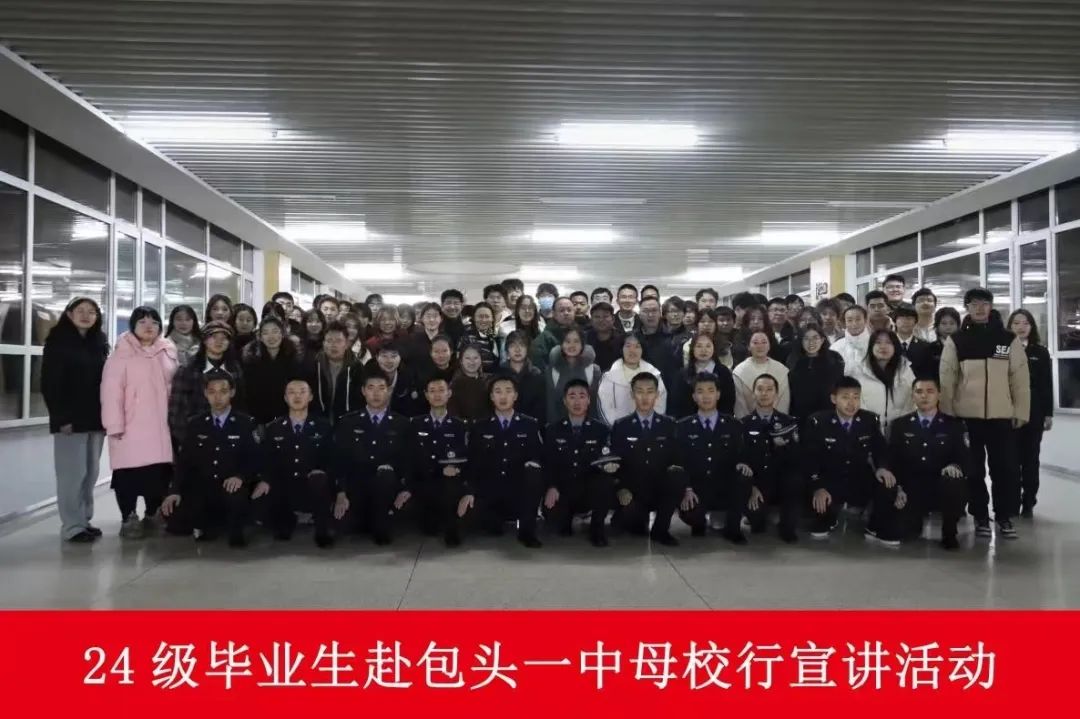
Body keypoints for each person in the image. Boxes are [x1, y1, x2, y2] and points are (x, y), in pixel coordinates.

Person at [940, 287, 1030, 539]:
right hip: (967, 417)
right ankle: (980, 515)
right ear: (967, 308)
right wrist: (948, 413)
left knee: (1005, 469)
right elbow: (947, 379)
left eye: (984, 303)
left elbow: (1020, 379)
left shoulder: (1007, 339)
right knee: (974, 470)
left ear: (991, 307)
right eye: (974, 304)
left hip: (1001, 416)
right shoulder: (957, 340)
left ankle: (1004, 516)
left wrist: (1021, 410)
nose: (980, 308)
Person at [101, 307, 178, 539]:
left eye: (154, 322)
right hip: (130, 427)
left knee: (157, 475)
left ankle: (152, 514)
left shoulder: (167, 351)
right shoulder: (120, 355)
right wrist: (114, 425)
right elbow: (111, 394)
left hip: (161, 426)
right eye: (142, 322)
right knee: (128, 475)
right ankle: (129, 517)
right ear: (133, 326)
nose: (148, 326)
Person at [161, 370, 262, 547]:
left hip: (231, 486)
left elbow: (254, 459)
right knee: (171, 514)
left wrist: (240, 476)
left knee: (235, 497)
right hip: (203, 486)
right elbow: (184, 462)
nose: (218, 397)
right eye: (212, 392)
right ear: (205, 394)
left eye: (223, 391)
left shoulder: (245, 423)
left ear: (232, 392)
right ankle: (211, 523)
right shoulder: (196, 423)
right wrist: (174, 491)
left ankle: (233, 528)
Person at [42, 297, 109, 542]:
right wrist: (62, 418)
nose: (86, 315)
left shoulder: (98, 342)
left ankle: (84, 519)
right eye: (80, 311)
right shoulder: (58, 343)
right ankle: (72, 526)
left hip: (95, 419)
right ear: (69, 314)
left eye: (92, 312)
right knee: (72, 475)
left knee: (90, 473)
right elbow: (50, 384)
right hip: (70, 422)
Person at [803, 377, 898, 542]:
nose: (851, 403)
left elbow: (881, 449)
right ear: (834, 399)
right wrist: (817, 486)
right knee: (819, 520)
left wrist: (882, 467)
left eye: (856, 397)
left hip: (858, 477)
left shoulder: (869, 420)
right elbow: (809, 458)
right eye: (845, 397)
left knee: (886, 482)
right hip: (830, 479)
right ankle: (827, 518)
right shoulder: (818, 421)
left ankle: (876, 526)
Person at [883, 377, 970, 549]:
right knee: (905, 533)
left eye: (930, 391)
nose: (924, 396)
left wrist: (954, 466)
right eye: (919, 392)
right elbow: (892, 460)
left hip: (940, 487)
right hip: (911, 489)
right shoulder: (900, 425)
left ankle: (949, 532)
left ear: (939, 395)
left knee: (954, 481)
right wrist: (898, 488)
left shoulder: (954, 425)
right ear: (912, 396)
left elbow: (965, 458)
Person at [460, 376, 545, 548]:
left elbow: (538, 455)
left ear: (515, 395)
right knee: (475, 519)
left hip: (518, 491)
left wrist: (533, 464)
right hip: (490, 492)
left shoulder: (529, 424)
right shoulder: (480, 426)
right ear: (492, 397)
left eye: (508, 391)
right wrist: (469, 491)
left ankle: (527, 531)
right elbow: (472, 463)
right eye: (498, 392)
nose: (503, 396)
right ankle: (494, 520)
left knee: (534, 472)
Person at [333, 371, 413, 545]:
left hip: (388, 487)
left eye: (381, 388)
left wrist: (406, 488)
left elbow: (408, 460)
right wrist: (341, 492)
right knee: (343, 525)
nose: (376, 393)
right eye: (371, 388)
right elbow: (340, 460)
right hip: (357, 486)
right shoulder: (348, 422)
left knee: (386, 478)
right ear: (363, 391)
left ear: (389, 391)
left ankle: (381, 522)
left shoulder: (402, 423)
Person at [674, 373, 752, 543]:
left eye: (710, 390)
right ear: (694, 396)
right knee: (692, 514)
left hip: (724, 487)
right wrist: (687, 488)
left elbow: (741, 454)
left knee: (744, 475)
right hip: (696, 489)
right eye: (700, 391)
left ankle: (733, 529)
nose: (706, 396)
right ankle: (699, 522)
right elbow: (679, 461)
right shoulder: (682, 426)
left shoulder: (733, 424)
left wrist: (742, 463)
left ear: (718, 394)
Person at [259, 378, 337, 547]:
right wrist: (265, 480)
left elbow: (331, 458)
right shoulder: (274, 428)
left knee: (320, 479)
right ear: (285, 398)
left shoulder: (323, 426)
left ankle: (322, 530)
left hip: (312, 484)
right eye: (292, 392)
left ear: (310, 397)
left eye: (302, 392)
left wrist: (322, 472)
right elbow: (268, 460)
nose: (297, 396)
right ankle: (286, 520)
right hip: (285, 485)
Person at [609, 372, 682, 546]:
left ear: (657, 395)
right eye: (639, 391)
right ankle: (631, 518)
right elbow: (615, 463)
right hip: (633, 492)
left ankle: (661, 530)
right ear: (632, 394)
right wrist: (621, 488)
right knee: (634, 529)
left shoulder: (669, 424)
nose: (645, 397)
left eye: (650, 391)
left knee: (677, 476)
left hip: (659, 490)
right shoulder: (621, 426)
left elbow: (677, 459)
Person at [542, 379, 617, 547]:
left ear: (589, 400)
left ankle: (597, 529)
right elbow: (548, 462)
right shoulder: (552, 430)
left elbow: (606, 461)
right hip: (563, 490)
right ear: (564, 401)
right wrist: (551, 486)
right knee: (556, 522)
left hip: (588, 490)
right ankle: (566, 518)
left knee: (605, 481)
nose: (577, 401)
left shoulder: (601, 430)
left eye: (582, 396)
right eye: (572, 396)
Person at [409, 376, 471, 546]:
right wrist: (438, 469)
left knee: (451, 483)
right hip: (424, 482)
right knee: (428, 527)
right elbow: (413, 458)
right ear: (426, 395)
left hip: (450, 483)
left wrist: (456, 470)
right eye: (432, 391)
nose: (437, 395)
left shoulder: (460, 425)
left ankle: (452, 531)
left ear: (449, 393)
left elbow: (464, 458)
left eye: (441, 390)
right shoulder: (415, 424)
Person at [741, 374, 801, 543]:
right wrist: (751, 487)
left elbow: (795, 458)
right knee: (757, 526)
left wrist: (781, 447)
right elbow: (741, 458)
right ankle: (761, 514)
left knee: (795, 480)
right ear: (753, 393)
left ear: (776, 394)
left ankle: (787, 524)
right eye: (760, 389)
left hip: (781, 481)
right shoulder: (743, 424)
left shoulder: (788, 422)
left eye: (769, 389)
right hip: (757, 484)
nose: (764, 393)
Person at [1007, 309, 1054, 518]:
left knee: (1030, 459)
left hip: (1034, 412)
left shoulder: (1040, 352)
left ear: (1032, 327)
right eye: (1016, 323)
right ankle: (1012, 500)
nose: (1021, 327)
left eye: (1026, 323)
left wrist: (1048, 414)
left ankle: (1029, 501)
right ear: (1010, 327)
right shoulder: (1002, 350)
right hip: (1009, 411)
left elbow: (1046, 385)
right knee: (1010, 460)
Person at [168, 320, 244, 448]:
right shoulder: (189, 369)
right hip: (196, 438)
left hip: (230, 439)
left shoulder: (235, 369)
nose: (219, 341)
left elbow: (241, 404)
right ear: (204, 340)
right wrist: (186, 439)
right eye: (213, 337)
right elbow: (177, 410)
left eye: (224, 338)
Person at [846, 329, 916, 431]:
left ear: (895, 346)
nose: (883, 346)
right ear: (871, 346)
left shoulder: (905, 370)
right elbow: (854, 400)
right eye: (878, 342)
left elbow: (912, 401)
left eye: (888, 342)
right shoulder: (859, 371)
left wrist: (900, 424)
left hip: (901, 429)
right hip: (867, 428)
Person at [242, 316, 300, 426]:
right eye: (265, 333)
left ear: (282, 334)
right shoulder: (251, 359)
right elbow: (249, 393)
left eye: (275, 331)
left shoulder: (293, 356)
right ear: (260, 337)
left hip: (287, 416)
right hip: (259, 416)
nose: (271, 337)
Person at [599, 333, 668, 424]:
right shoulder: (608, 376)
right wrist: (618, 427)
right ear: (621, 349)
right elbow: (605, 407)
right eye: (628, 346)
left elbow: (660, 404)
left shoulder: (654, 374)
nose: (632, 350)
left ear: (642, 350)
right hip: (617, 428)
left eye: (637, 346)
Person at [304, 321, 363, 425]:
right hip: (318, 421)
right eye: (329, 341)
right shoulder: (313, 365)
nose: (333, 345)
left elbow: (360, 400)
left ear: (347, 344)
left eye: (338, 341)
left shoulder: (356, 367)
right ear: (323, 343)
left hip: (348, 421)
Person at [787, 325, 846, 422]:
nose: (811, 342)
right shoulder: (793, 360)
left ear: (822, 340)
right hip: (801, 415)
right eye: (806, 338)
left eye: (815, 338)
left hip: (829, 415)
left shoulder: (834, 358)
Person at [670, 334, 736, 417]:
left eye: (708, 346)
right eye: (699, 346)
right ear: (692, 349)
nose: (703, 350)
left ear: (714, 349)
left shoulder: (723, 372)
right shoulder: (683, 374)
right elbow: (677, 403)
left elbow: (729, 401)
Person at [543, 326, 601, 422]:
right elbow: (551, 405)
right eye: (567, 341)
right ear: (561, 344)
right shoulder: (552, 370)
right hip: (559, 426)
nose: (572, 345)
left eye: (576, 341)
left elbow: (595, 405)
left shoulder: (593, 370)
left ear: (582, 345)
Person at [732, 332, 790, 418]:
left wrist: (779, 420)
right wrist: (746, 422)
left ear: (769, 346)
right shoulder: (739, 371)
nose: (760, 346)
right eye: (755, 343)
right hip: (748, 422)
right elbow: (739, 404)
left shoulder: (781, 369)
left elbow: (784, 402)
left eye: (764, 342)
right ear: (748, 347)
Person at [496, 331, 547, 423]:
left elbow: (541, 410)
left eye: (522, 345)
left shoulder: (537, 376)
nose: (517, 349)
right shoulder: (499, 375)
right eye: (512, 346)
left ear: (527, 349)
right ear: (507, 351)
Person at [376, 343, 426, 418]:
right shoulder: (368, 377)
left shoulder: (410, 379)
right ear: (377, 357)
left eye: (394, 356)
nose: (389, 361)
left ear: (400, 357)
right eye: (384, 356)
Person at [529, 296, 577, 370]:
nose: (566, 313)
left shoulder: (580, 334)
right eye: (561, 310)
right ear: (554, 314)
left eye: (569, 310)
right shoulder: (544, 339)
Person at [448, 345, 489, 421]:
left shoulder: (488, 382)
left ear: (481, 360)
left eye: (475, 358)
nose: (472, 362)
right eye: (467, 358)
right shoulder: (455, 385)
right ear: (461, 361)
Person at [921, 307, 961, 382]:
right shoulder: (929, 349)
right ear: (937, 326)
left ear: (958, 326)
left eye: (952, 323)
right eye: (943, 323)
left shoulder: (964, 347)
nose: (948, 327)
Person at [459, 301, 500, 373]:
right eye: (480, 316)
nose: (484, 320)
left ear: (493, 318)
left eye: (487, 316)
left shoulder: (495, 336)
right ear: (474, 318)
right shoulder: (466, 335)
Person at [893, 303, 932, 377]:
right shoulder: (888, 344)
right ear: (895, 321)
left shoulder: (925, 347)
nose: (905, 321)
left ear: (915, 321)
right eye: (901, 317)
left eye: (909, 318)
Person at [405, 302, 445, 373]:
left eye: (435, 316)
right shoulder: (412, 339)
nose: (431, 319)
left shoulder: (446, 339)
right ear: (422, 319)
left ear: (441, 319)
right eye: (428, 316)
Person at [831, 305, 871, 370]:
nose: (854, 324)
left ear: (865, 320)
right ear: (845, 322)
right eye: (849, 320)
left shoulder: (875, 344)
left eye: (858, 319)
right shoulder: (836, 347)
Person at [585, 302, 622, 372]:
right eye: (597, 317)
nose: (601, 320)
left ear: (613, 319)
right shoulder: (584, 339)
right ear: (591, 320)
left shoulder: (622, 340)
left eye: (605, 316)